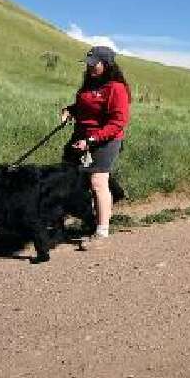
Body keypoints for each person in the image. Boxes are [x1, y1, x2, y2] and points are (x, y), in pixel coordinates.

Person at [60, 45, 131, 247]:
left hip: (106, 139)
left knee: (97, 180)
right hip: (81, 136)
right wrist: (69, 110)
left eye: (94, 64)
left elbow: (118, 122)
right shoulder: (89, 84)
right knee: (67, 175)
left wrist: (91, 141)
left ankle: (101, 231)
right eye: (88, 63)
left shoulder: (116, 88)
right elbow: (84, 107)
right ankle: (112, 195)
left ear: (106, 64)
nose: (90, 68)